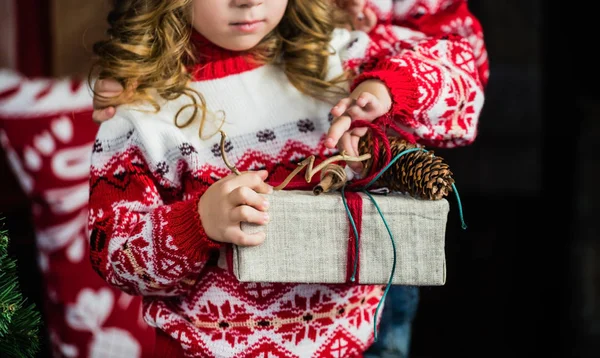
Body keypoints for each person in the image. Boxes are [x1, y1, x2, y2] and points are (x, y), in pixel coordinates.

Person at [87, 0, 488, 357]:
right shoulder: (139, 111)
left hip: (354, 341)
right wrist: (197, 223)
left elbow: (461, 80)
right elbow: (113, 255)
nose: (248, 2)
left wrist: (386, 88)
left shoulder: (338, 56)